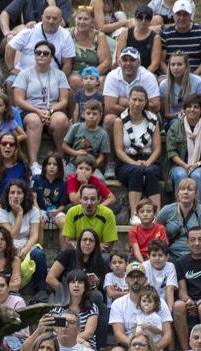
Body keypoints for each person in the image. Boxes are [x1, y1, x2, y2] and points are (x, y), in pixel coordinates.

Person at [13, 40, 71, 175]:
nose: (41, 56)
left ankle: (62, 159)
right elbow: (18, 99)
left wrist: (50, 111)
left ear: (51, 57)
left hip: (53, 109)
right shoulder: (24, 73)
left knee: (61, 119)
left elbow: (64, 100)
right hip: (30, 110)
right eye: (38, 53)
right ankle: (33, 163)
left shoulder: (59, 74)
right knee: (34, 120)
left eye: (46, 53)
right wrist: (38, 111)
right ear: (34, 55)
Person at [102, 47, 160, 178]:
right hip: (121, 115)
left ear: (139, 62)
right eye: (125, 60)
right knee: (109, 120)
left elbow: (156, 106)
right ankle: (111, 161)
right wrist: (134, 106)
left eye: (132, 60)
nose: (128, 63)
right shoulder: (112, 76)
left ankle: (147, 157)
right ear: (119, 62)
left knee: (153, 117)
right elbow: (110, 107)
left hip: (143, 115)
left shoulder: (148, 76)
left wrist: (125, 102)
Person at [114, 86, 162, 225]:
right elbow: (118, 150)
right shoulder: (120, 121)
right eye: (134, 99)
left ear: (145, 102)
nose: (137, 103)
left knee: (151, 172)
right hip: (126, 161)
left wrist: (148, 162)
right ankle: (134, 213)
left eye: (140, 100)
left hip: (149, 159)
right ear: (128, 100)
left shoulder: (153, 120)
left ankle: (156, 214)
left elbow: (157, 148)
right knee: (136, 171)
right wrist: (133, 163)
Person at [5, 6, 75, 99]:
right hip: (24, 73)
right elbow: (10, 47)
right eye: (48, 17)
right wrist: (11, 68)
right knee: (10, 83)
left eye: (55, 18)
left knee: (66, 89)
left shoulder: (65, 35)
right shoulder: (30, 30)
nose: (51, 21)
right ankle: (14, 113)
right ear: (42, 18)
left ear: (61, 20)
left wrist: (59, 80)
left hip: (52, 75)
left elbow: (67, 63)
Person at [0, 179, 48, 300]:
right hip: (8, 245)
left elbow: (34, 235)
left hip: (27, 244)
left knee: (38, 254)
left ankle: (41, 290)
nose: (15, 196)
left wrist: (25, 250)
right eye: (12, 192)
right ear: (7, 195)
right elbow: (12, 236)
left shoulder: (33, 211)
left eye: (19, 193)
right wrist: (19, 213)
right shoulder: (1, 212)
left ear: (24, 195)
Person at [165, 95, 201, 205]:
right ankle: (180, 213)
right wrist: (185, 165)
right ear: (184, 109)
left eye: (196, 107)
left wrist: (197, 164)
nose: (192, 109)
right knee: (181, 175)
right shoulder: (175, 127)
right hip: (179, 166)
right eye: (189, 106)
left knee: (196, 175)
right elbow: (171, 151)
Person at [109, 262, 173, 351]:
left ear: (146, 279)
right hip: (129, 346)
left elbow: (168, 335)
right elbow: (118, 334)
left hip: (153, 348)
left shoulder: (159, 302)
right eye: (132, 277)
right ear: (126, 280)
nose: (135, 280)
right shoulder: (118, 303)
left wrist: (151, 350)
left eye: (139, 276)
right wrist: (136, 347)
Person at [156, 178, 201, 259]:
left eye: (190, 189)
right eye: (182, 189)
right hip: (170, 255)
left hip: (195, 254)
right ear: (178, 193)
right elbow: (154, 229)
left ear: (195, 194)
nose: (186, 192)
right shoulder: (167, 209)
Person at [158, 0, 201, 86]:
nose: (182, 18)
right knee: (162, 81)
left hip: (196, 72)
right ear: (173, 14)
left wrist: (193, 75)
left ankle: (194, 100)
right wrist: (171, 75)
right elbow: (161, 61)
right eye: (179, 14)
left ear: (191, 15)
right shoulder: (165, 34)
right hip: (171, 72)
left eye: (185, 14)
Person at [61, 184, 118, 252]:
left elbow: (108, 246)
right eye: (85, 199)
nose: (89, 203)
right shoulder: (72, 212)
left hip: (98, 255)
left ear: (99, 200)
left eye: (93, 199)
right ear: (80, 199)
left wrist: (82, 245)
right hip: (77, 252)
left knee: (105, 258)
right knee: (64, 256)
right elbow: (68, 243)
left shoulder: (107, 214)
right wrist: (94, 246)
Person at [62, 99, 110, 180]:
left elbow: (102, 156)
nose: (91, 116)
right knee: (64, 175)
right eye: (88, 113)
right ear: (83, 114)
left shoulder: (103, 134)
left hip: (90, 167)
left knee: (100, 179)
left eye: (94, 114)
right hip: (74, 164)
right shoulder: (76, 127)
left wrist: (93, 165)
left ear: (100, 115)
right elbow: (64, 146)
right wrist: (75, 153)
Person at [68, 6, 111, 92]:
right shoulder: (68, 34)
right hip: (74, 74)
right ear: (75, 20)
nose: (81, 22)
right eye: (79, 18)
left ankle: (95, 105)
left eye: (85, 19)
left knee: (101, 81)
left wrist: (90, 76)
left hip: (95, 73)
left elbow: (106, 62)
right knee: (75, 80)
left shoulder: (99, 36)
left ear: (92, 22)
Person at [159, 51, 201, 129]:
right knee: (178, 124)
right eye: (173, 65)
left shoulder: (197, 81)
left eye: (179, 64)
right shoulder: (164, 85)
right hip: (174, 119)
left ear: (186, 66)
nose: (176, 68)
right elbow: (166, 114)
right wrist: (178, 114)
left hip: (194, 116)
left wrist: (189, 114)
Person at [115, 5, 161, 74]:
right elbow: (118, 57)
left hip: (146, 73)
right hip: (125, 71)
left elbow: (155, 64)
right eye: (140, 17)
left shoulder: (155, 37)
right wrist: (127, 73)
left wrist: (141, 76)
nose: (143, 21)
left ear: (151, 20)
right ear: (135, 18)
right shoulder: (126, 33)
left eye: (147, 18)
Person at [32, 152, 67, 229]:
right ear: (44, 166)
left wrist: (57, 211)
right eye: (49, 164)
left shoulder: (62, 183)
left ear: (59, 167)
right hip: (40, 210)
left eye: (55, 164)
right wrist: (39, 212)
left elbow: (62, 205)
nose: (51, 166)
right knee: (39, 220)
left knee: (64, 222)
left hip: (55, 212)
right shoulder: (36, 179)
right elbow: (33, 199)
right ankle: (39, 242)